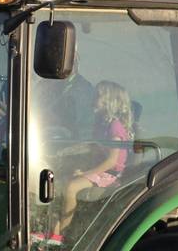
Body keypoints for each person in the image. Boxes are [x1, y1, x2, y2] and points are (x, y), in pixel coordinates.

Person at [34, 80, 134, 246]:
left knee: (72, 187)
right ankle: (51, 228)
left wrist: (86, 173)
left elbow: (111, 161)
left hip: (110, 174)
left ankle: (60, 235)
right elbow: (95, 151)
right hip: (99, 171)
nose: (93, 99)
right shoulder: (102, 124)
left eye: (98, 96)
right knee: (55, 182)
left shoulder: (115, 127)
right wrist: (78, 164)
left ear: (110, 101)